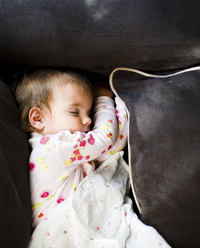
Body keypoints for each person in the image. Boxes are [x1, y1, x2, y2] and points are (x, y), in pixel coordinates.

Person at [14, 68, 126, 228]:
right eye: (74, 112)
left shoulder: (53, 148)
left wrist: (122, 111)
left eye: (89, 111)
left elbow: (109, 151)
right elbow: (104, 139)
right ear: (38, 118)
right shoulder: (57, 146)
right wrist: (104, 99)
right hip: (58, 229)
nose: (88, 119)